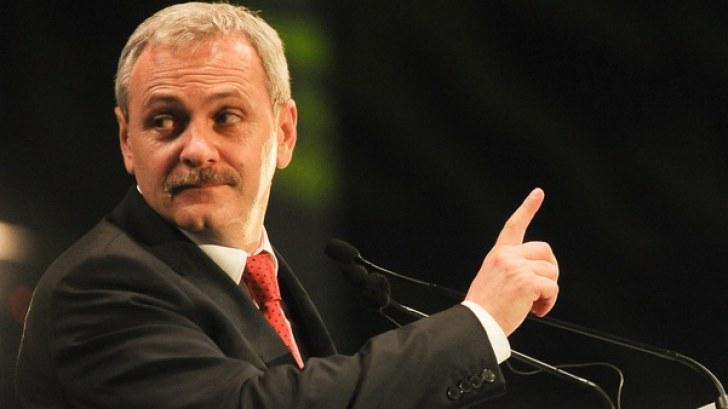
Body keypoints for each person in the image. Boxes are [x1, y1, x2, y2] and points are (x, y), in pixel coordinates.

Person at [16, 3, 559, 408]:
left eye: (226, 117)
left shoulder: (260, 279)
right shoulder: (99, 287)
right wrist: (477, 323)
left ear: (284, 132)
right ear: (127, 141)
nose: (196, 148)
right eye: (165, 121)